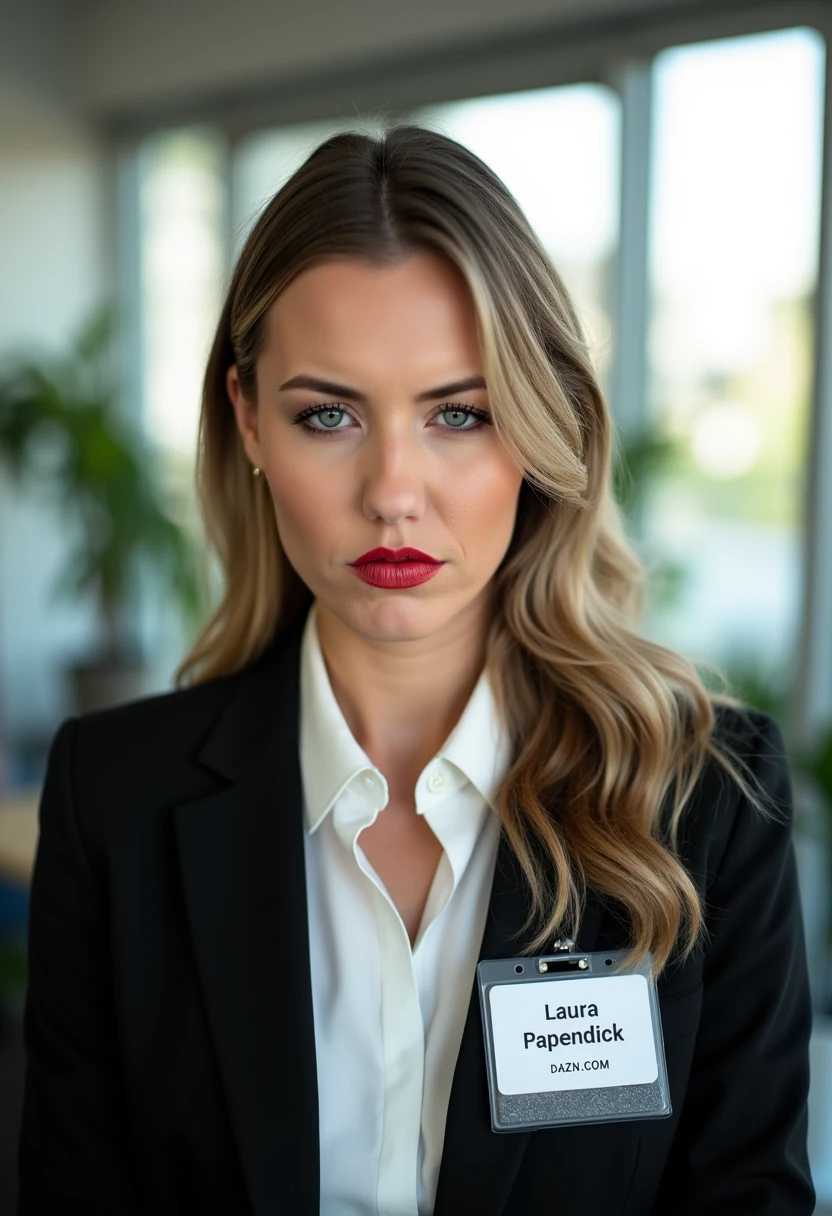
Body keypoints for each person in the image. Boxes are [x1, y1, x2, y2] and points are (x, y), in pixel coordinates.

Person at [17, 123, 814, 1215]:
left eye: (459, 413)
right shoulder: (114, 794)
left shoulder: (704, 795)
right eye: (329, 414)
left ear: (540, 426)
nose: (394, 490)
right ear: (249, 420)